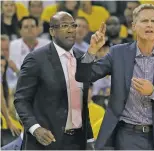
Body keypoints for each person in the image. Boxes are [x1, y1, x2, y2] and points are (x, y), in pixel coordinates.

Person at [75, 4, 154, 150]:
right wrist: (92, 51)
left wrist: (153, 92)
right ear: (133, 26)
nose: (149, 25)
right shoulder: (117, 53)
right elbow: (84, 76)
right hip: (127, 135)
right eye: (144, 21)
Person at [14, 11, 96, 150]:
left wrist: (89, 139)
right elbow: (21, 100)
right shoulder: (36, 59)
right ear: (52, 31)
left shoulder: (82, 58)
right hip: (45, 142)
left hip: (77, 142)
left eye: (73, 25)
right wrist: (35, 128)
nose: (71, 30)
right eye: (64, 25)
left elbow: (81, 104)